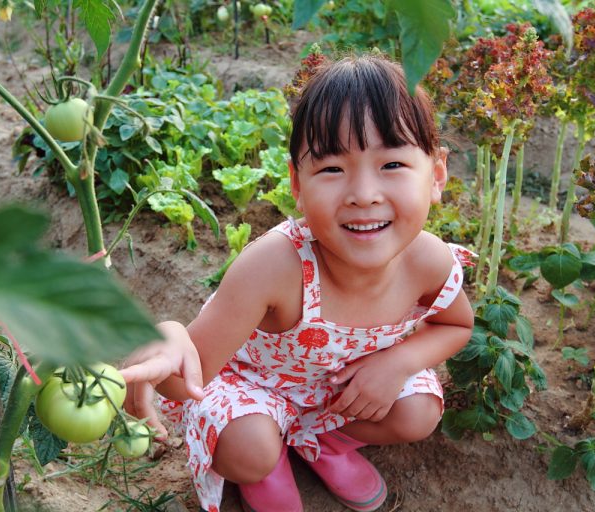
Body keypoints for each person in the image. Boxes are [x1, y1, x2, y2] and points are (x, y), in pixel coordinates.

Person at [119, 54, 475, 512]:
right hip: (253, 385)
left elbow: (455, 326)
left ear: (437, 174)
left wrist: (399, 361)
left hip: (338, 388)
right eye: (331, 169)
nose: (364, 193)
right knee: (248, 447)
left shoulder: (428, 261)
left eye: (392, 165)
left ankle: (323, 443)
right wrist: (167, 343)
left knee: (418, 410)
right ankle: (265, 468)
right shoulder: (276, 265)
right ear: (297, 182)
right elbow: (191, 377)